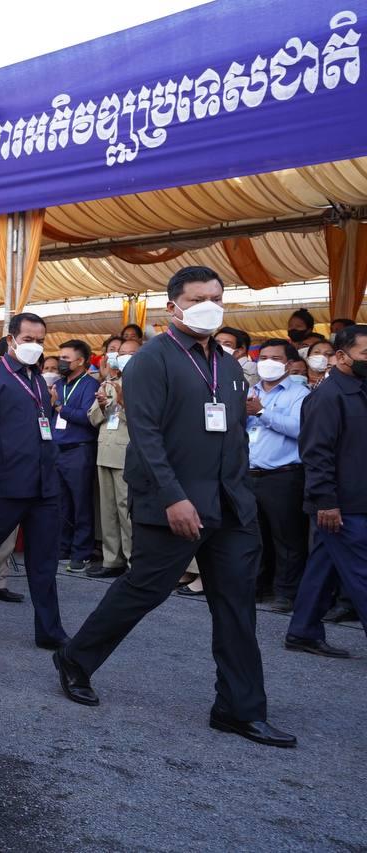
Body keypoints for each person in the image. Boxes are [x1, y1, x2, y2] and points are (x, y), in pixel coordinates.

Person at [53, 266, 296, 749]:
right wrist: (173, 497)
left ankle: (238, 708)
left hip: (230, 505)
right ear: (173, 307)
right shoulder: (151, 360)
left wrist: (242, 497)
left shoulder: (227, 365)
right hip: (173, 502)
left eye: (217, 298)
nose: (210, 306)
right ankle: (75, 658)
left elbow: (233, 435)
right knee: (144, 590)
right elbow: (145, 437)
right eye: (198, 298)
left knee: (236, 605)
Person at [0, 313, 71, 650]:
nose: (34, 346)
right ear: (11, 340)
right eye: (28, 339)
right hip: (6, 484)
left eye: (40, 340)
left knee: (44, 562)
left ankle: (50, 631)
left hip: (44, 485)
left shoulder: (38, 380)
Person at [284, 324, 367, 658]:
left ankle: (302, 631)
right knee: (362, 573)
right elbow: (316, 454)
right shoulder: (328, 397)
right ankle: (303, 631)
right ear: (342, 357)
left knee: (324, 565)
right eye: (366, 353)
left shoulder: (359, 389)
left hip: (356, 498)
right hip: (342, 504)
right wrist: (326, 502)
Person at [245, 339, 310, 613]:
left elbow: (300, 429)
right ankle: (257, 586)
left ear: (289, 363)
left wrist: (261, 412)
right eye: (263, 358)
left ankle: (286, 592)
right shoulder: (250, 390)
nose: (267, 363)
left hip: (283, 476)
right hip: (250, 474)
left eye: (275, 358)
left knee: (287, 538)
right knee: (254, 536)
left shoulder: (300, 394)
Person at [88, 336, 141, 579]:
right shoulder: (109, 383)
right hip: (105, 451)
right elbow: (93, 418)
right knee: (107, 510)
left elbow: (146, 422)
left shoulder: (145, 383)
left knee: (126, 510)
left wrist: (123, 402)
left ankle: (133, 561)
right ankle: (112, 560)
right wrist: (102, 405)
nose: (125, 357)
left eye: (131, 353)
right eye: (121, 353)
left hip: (126, 453)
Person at [52, 339, 100, 573]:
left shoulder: (90, 385)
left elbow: (87, 417)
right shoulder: (58, 384)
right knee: (61, 502)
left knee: (81, 503)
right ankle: (63, 546)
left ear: (80, 361)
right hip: (57, 449)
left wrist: (60, 408)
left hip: (79, 450)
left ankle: (81, 552)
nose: (61, 362)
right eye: (60, 357)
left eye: (66, 358)